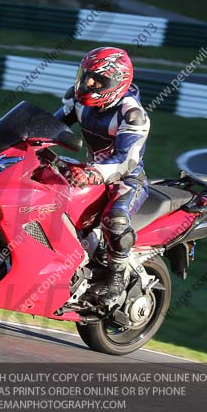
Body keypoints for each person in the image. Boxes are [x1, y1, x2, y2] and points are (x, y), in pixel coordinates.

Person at [54, 46, 150, 306]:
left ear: (116, 83)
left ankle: (115, 280)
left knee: (115, 219)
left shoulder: (132, 115)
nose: (88, 83)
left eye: (97, 79)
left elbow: (125, 160)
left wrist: (93, 174)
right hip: (89, 172)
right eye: (86, 75)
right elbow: (51, 126)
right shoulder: (78, 100)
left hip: (125, 180)